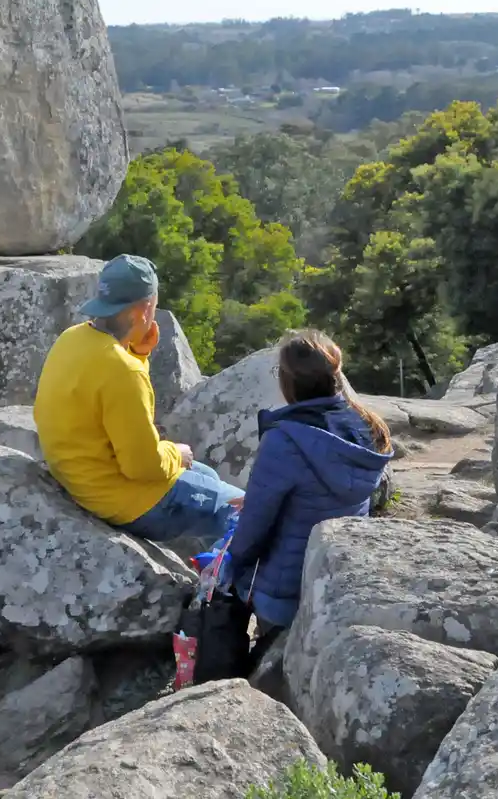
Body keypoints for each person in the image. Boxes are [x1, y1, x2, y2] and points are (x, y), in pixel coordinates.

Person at [34, 254, 243, 541]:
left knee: (207, 476)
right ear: (144, 310)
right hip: (126, 501)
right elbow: (142, 466)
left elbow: (114, 392)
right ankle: (227, 584)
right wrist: (175, 452)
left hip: (82, 480)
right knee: (246, 512)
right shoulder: (122, 370)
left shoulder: (72, 338)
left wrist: (139, 353)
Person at [226, 330, 394, 658]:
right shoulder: (368, 427)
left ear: (288, 381)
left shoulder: (284, 441)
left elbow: (252, 534)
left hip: (285, 596)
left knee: (223, 560)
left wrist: (228, 565)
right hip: (337, 581)